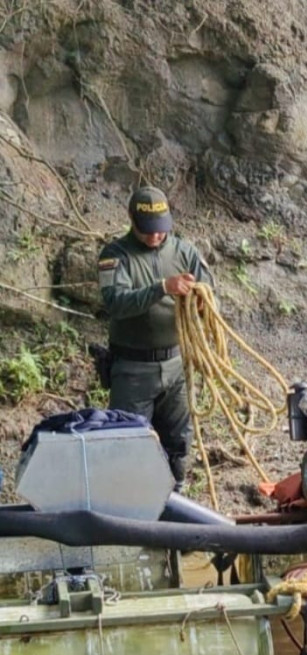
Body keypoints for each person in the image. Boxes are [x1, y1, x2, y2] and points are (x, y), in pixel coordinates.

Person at [97, 186, 214, 491]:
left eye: (160, 231)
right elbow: (116, 302)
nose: (154, 237)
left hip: (176, 365)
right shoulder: (115, 255)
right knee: (128, 441)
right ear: (131, 220)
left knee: (178, 440)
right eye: (147, 231)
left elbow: (210, 291)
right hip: (133, 369)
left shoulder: (184, 251)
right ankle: (128, 507)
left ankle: (174, 500)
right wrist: (162, 287)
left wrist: (203, 301)